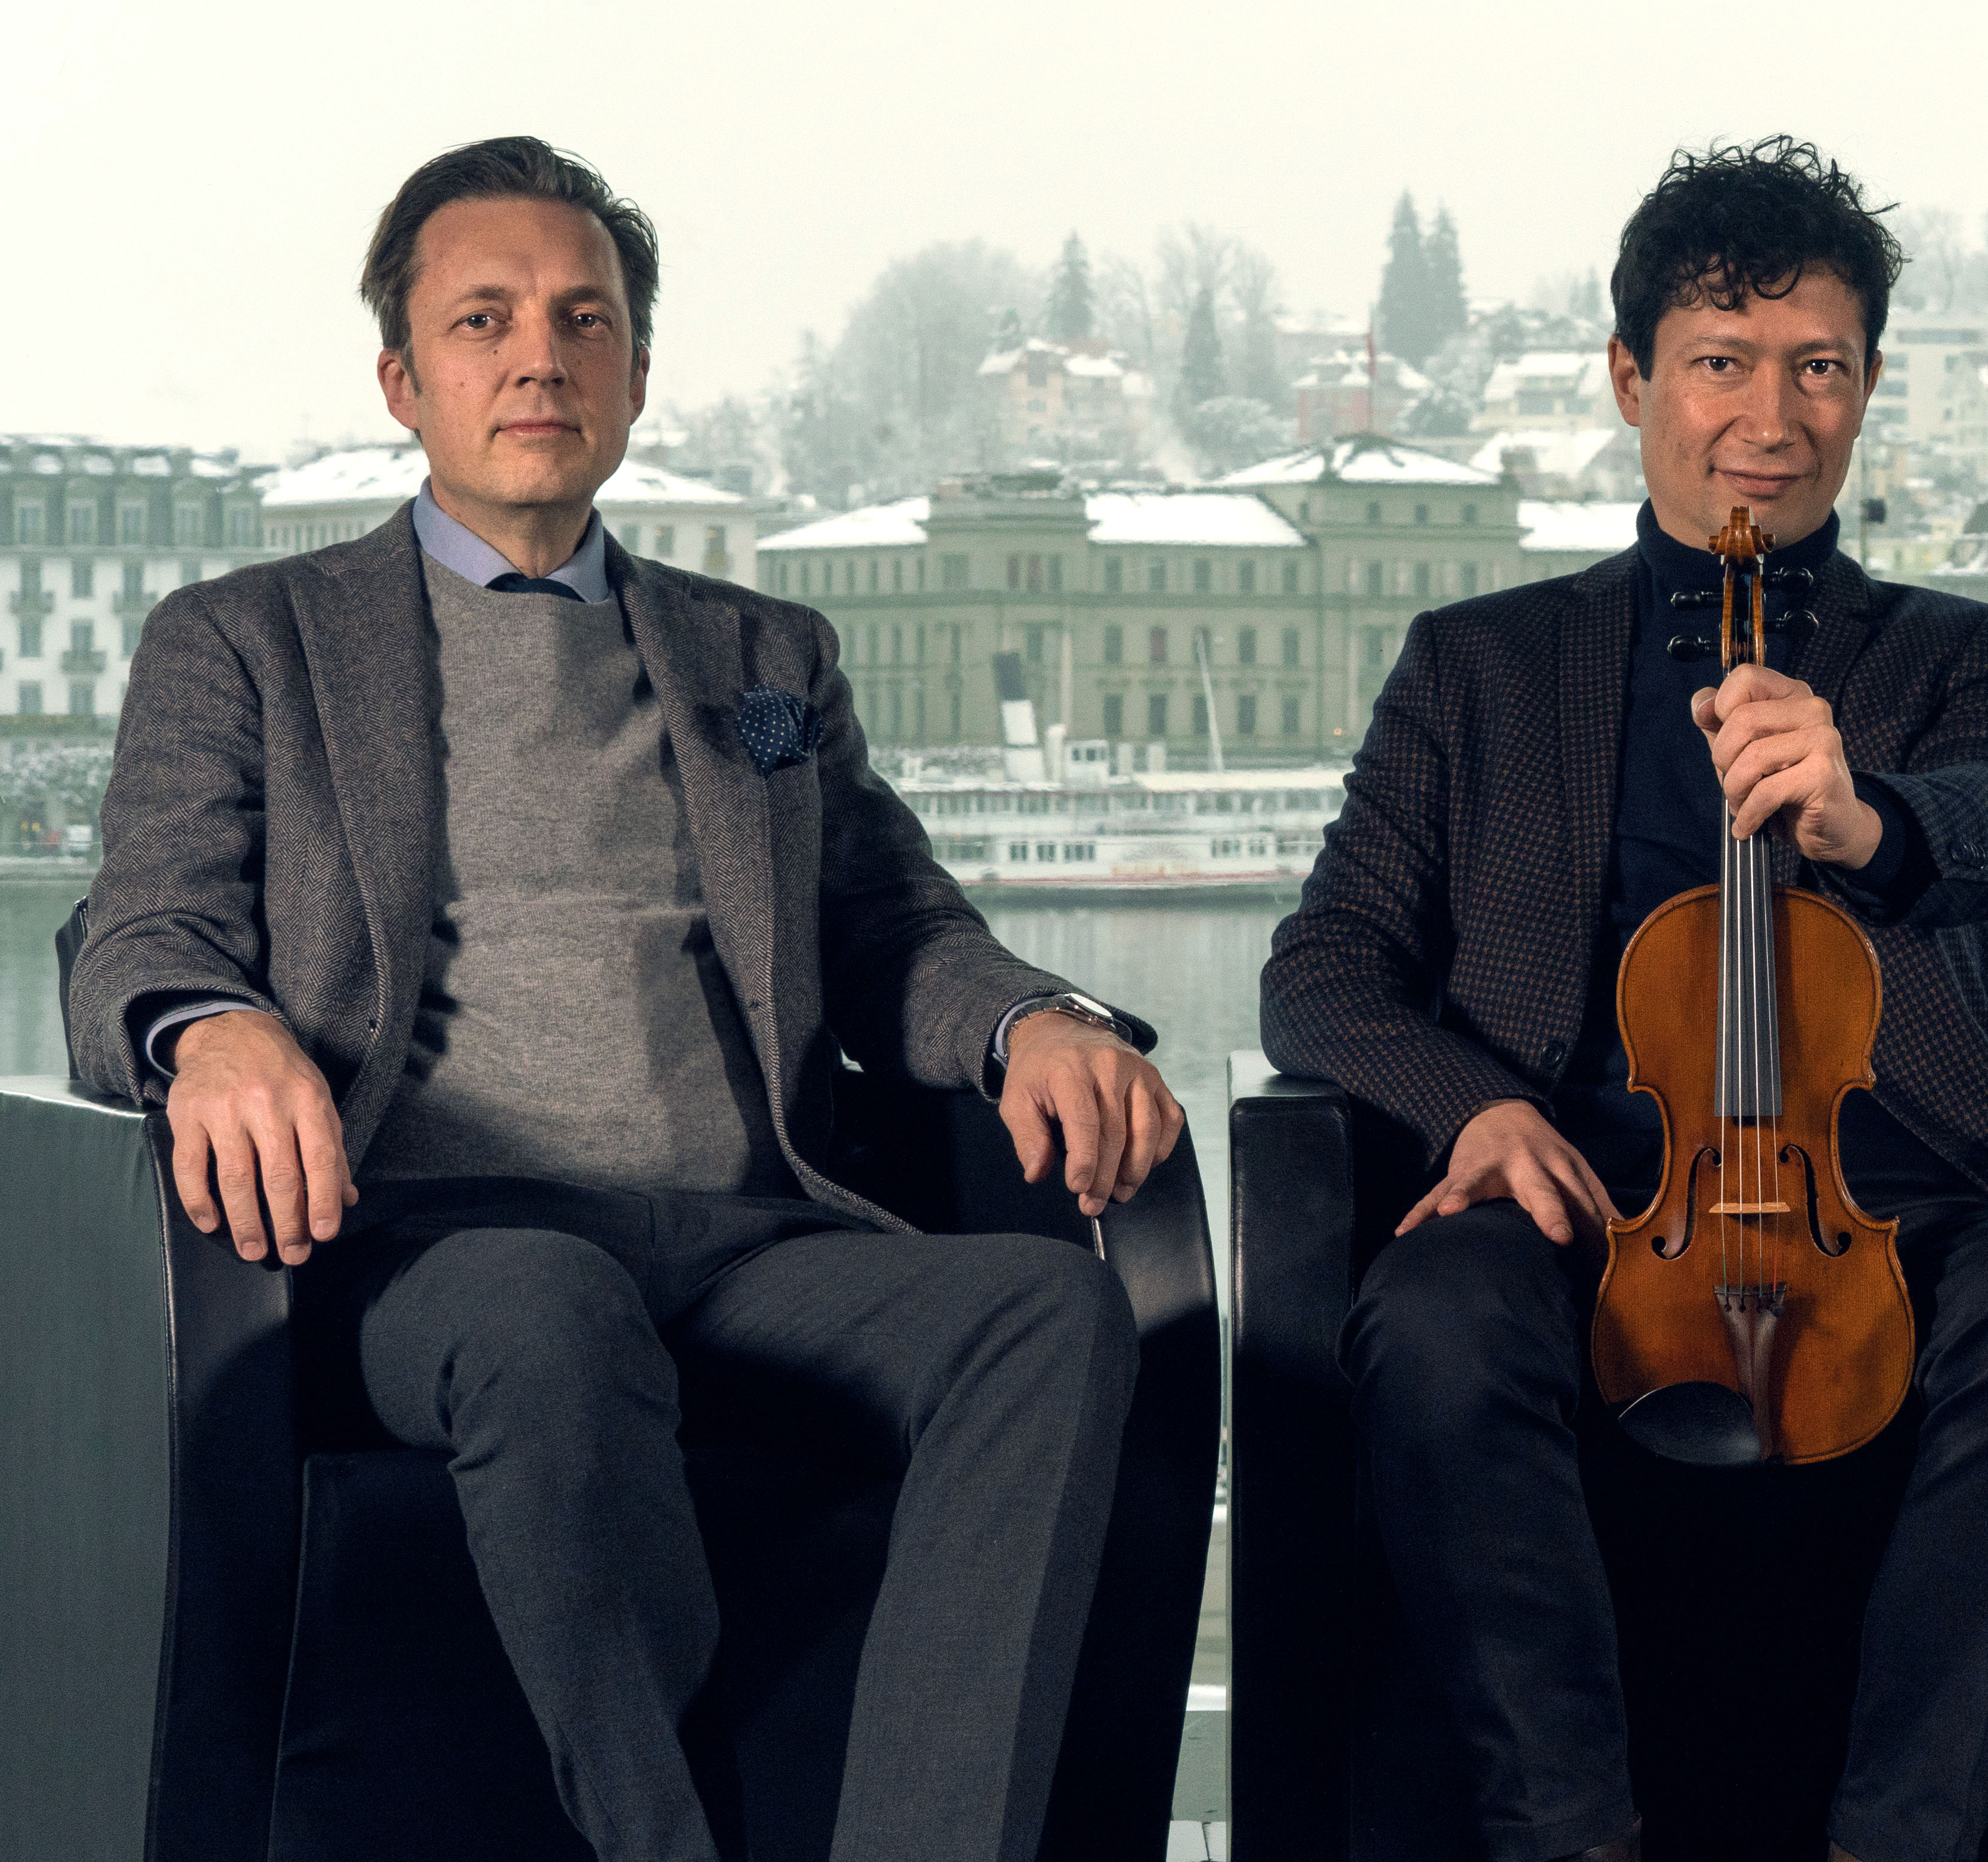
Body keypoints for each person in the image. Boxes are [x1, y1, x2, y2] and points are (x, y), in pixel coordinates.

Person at [65, 136, 1184, 1862]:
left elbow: (896, 925)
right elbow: (144, 926)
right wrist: (208, 1029)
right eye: (487, 320)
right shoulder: (245, 640)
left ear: (638, 374)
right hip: (435, 1243)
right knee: (546, 1312)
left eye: (585, 321)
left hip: (757, 1236)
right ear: (403, 378)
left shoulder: (766, 653)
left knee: (1052, 1317)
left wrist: (1038, 1022)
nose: (541, 358)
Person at [1260, 138, 1988, 1862]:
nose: (1773, 415)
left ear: (1870, 387)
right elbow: (1326, 964)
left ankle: (1903, 1839)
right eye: (1722, 362)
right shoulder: (1480, 662)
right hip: (1582, 1194)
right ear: (1630, 382)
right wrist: (1479, 1110)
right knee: (1436, 1321)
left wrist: (1861, 818)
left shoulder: (1971, 652)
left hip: (1894, 1197)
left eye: (1819, 367)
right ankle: (1568, 1837)